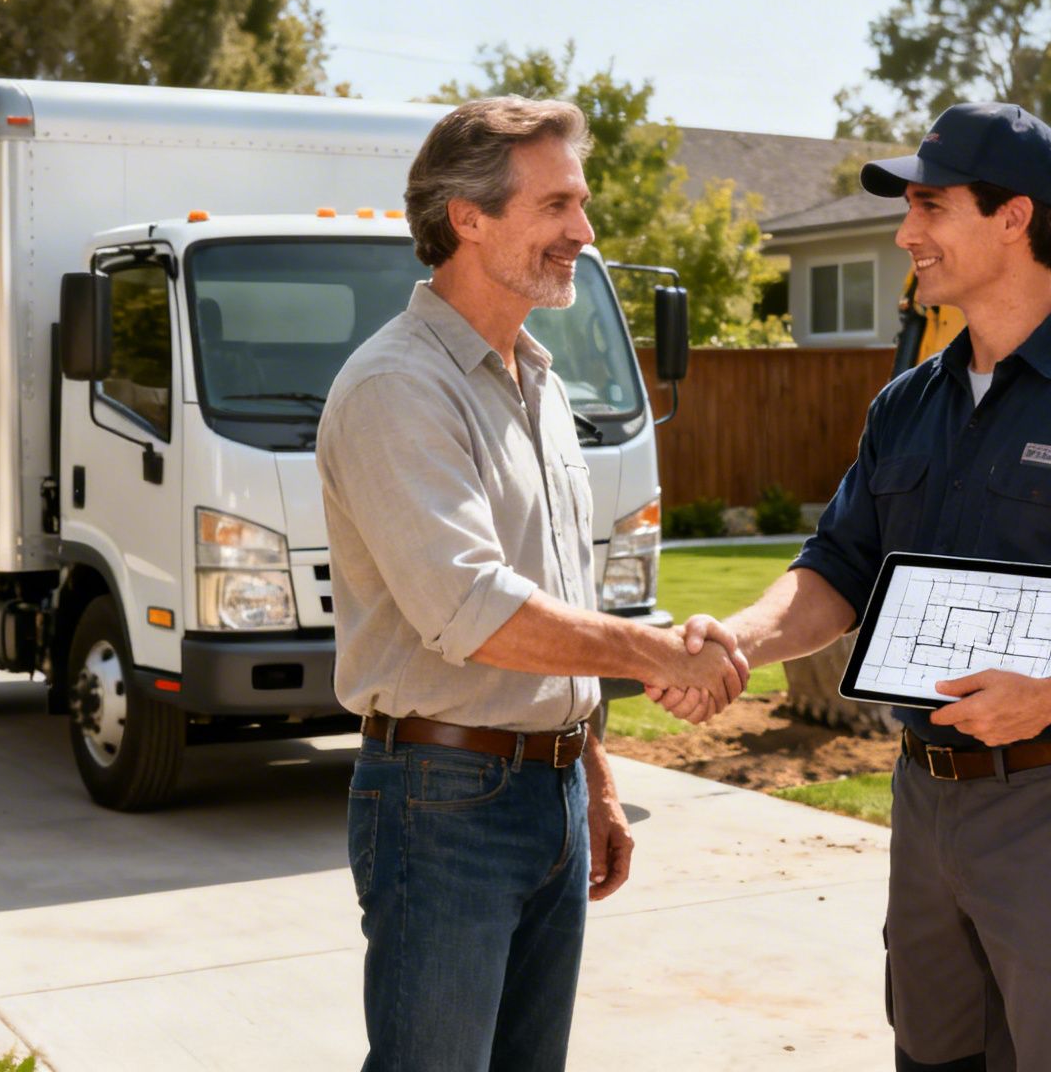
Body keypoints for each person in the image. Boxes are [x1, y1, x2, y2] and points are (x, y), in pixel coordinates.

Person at [679, 103, 1051, 1071]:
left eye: (929, 206)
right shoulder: (906, 405)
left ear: (1014, 218)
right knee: (934, 1058)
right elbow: (836, 567)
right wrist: (738, 639)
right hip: (924, 804)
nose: (905, 233)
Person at [316, 96, 746, 1072]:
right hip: (441, 803)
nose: (583, 233)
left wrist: (588, 766)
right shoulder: (397, 387)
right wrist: (657, 651)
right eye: (556, 205)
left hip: (545, 791)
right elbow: (472, 609)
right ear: (467, 217)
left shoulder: (537, 381)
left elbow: (557, 590)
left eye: (579, 205)